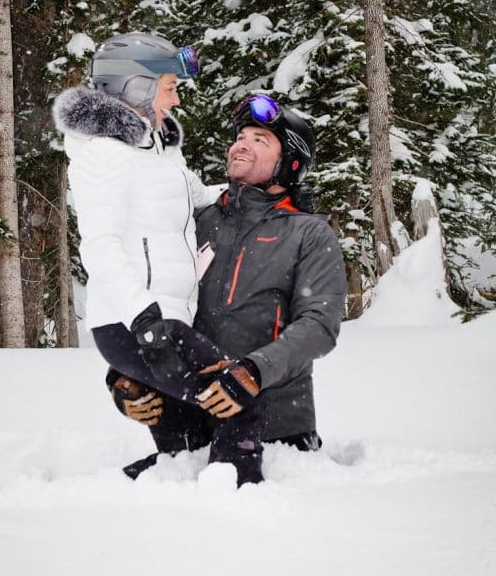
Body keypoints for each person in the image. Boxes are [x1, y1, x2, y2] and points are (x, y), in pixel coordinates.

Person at [53, 33, 265, 484]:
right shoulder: (104, 155)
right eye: (170, 85)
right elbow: (100, 243)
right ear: (137, 88)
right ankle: (241, 496)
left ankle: (162, 486)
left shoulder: (158, 149)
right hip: (137, 322)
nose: (177, 96)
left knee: (195, 429)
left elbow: (199, 197)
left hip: (167, 319)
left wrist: (255, 192)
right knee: (236, 391)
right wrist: (146, 323)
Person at [109, 93, 348, 481]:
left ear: (289, 163)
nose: (242, 144)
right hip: (189, 438)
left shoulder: (308, 233)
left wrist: (255, 370)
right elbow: (155, 300)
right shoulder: (197, 220)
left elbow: (319, 326)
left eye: (260, 139)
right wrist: (123, 375)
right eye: (241, 136)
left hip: (277, 437)